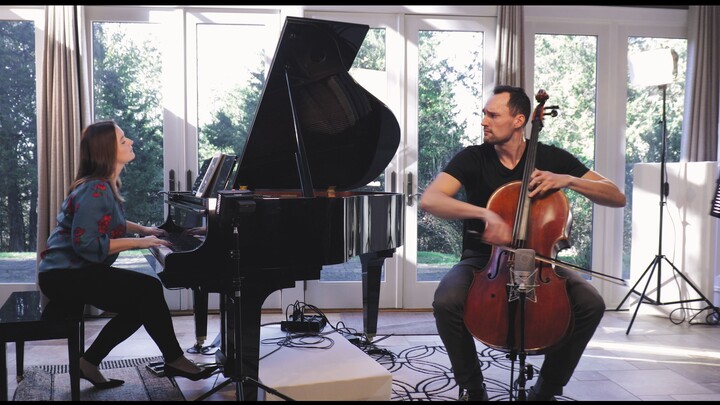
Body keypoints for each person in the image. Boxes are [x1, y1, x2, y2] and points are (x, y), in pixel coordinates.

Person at [419, 85, 626, 401]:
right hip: (484, 261)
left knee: (591, 304)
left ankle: (546, 390)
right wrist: (485, 214)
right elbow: (431, 199)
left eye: (492, 115)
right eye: (484, 114)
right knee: (447, 302)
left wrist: (568, 180)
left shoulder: (550, 157)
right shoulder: (473, 157)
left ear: (518, 121)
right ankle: (473, 388)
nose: (484, 121)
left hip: (542, 261)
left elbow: (616, 196)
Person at [38, 120, 217, 388]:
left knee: (142, 301)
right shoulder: (95, 189)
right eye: (123, 140)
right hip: (64, 276)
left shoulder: (101, 185)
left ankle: (90, 362)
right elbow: (86, 244)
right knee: (148, 290)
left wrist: (144, 230)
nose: (130, 141)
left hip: (71, 272)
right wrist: (140, 242)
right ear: (107, 152)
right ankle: (174, 359)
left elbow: (109, 222)